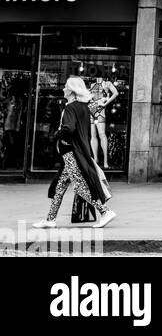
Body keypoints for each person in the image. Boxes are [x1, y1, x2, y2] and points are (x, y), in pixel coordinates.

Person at [33, 77, 117, 229]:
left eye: (66, 87)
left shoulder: (70, 108)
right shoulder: (84, 107)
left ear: (71, 90)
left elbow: (69, 129)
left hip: (71, 152)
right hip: (77, 151)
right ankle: (50, 219)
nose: (64, 89)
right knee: (60, 185)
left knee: (79, 185)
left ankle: (105, 212)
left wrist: (57, 134)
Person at [87, 76, 119, 167]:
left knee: (102, 134)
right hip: (92, 109)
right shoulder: (92, 84)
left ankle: (105, 161)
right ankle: (96, 159)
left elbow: (116, 93)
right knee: (93, 135)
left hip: (100, 110)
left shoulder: (107, 83)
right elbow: (89, 97)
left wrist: (105, 104)